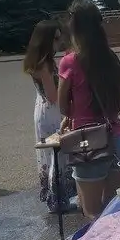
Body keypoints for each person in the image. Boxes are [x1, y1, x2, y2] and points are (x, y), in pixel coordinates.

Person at [58, 0, 120, 219]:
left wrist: (72, 113)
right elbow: (117, 101)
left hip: (90, 146)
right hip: (117, 142)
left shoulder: (70, 62)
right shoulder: (111, 58)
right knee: (114, 211)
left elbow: (63, 107)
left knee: (93, 213)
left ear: (74, 26)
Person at [23, 20, 76, 214]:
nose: (59, 41)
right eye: (55, 38)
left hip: (44, 109)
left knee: (53, 155)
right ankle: (57, 200)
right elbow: (53, 96)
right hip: (49, 111)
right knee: (56, 156)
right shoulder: (43, 64)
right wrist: (68, 82)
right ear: (45, 40)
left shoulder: (41, 61)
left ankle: (57, 199)